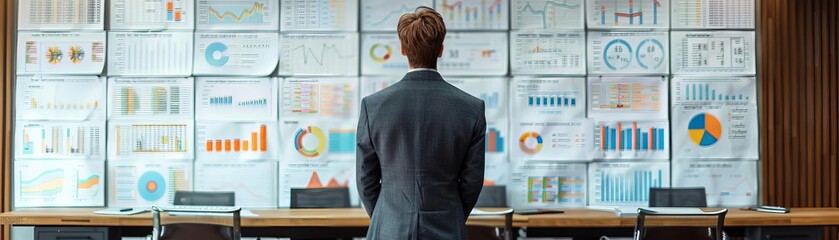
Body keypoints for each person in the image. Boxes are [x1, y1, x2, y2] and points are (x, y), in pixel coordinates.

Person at [356, 6, 486, 240]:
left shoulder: (373, 106)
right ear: (441, 50)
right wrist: (452, 215)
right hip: (447, 227)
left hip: (389, 228)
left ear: (403, 50)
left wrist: (386, 217)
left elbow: (366, 180)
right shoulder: (471, 108)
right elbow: (472, 182)